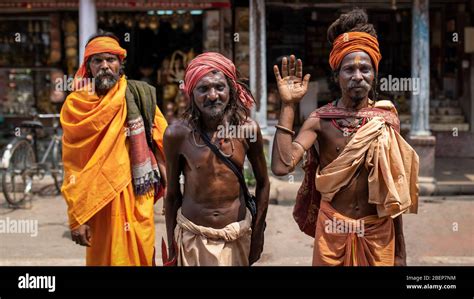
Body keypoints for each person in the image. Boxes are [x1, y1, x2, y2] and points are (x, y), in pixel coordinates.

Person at [271, 9, 419, 266]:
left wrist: (400, 251)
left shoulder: (386, 120)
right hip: (333, 233)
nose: (358, 76)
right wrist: (287, 106)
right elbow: (282, 166)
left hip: (378, 233)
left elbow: (392, 192)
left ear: (374, 75)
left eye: (365, 69)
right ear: (336, 75)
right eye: (349, 69)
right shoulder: (321, 120)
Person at [60, 32, 168, 266]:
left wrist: (172, 194)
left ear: (120, 63)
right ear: (88, 66)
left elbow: (162, 145)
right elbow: (72, 165)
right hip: (97, 202)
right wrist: (76, 216)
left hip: (137, 197)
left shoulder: (140, 95)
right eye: (97, 60)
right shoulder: (75, 106)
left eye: (111, 59)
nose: (105, 66)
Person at [163, 52, 269, 266]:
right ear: (191, 92)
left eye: (219, 87)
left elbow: (263, 183)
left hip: (236, 236)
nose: (212, 95)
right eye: (203, 89)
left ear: (231, 90)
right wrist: (173, 246)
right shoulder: (177, 134)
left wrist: (257, 235)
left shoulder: (248, 130)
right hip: (193, 237)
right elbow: (173, 195)